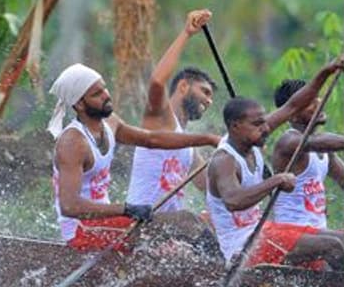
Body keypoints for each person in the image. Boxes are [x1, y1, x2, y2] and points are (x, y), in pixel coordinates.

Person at [49, 63, 219, 253]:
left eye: (104, 88)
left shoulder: (110, 123)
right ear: (79, 104)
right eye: (97, 94)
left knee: (199, 227)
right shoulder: (72, 143)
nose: (107, 95)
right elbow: (69, 206)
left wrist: (209, 139)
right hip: (82, 231)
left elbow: (151, 139)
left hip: (107, 224)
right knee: (187, 222)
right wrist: (126, 209)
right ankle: (226, 272)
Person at [206, 57, 344, 270]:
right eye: (257, 124)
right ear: (235, 126)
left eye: (264, 122)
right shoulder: (224, 160)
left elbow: (294, 104)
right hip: (242, 247)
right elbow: (233, 201)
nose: (265, 129)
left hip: (265, 231)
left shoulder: (254, 136)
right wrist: (276, 180)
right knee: (333, 247)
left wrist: (327, 70)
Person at [126, 9, 218, 213]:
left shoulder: (189, 150)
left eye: (210, 96)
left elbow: (212, 189)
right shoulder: (160, 119)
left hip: (169, 232)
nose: (209, 101)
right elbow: (158, 81)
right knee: (188, 221)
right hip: (142, 222)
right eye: (205, 91)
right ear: (183, 87)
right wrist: (186, 33)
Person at [269, 79, 344, 229]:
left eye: (317, 97)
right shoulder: (288, 142)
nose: (319, 103)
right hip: (291, 233)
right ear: (292, 115)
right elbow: (334, 142)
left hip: (319, 234)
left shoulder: (325, 151)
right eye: (310, 102)